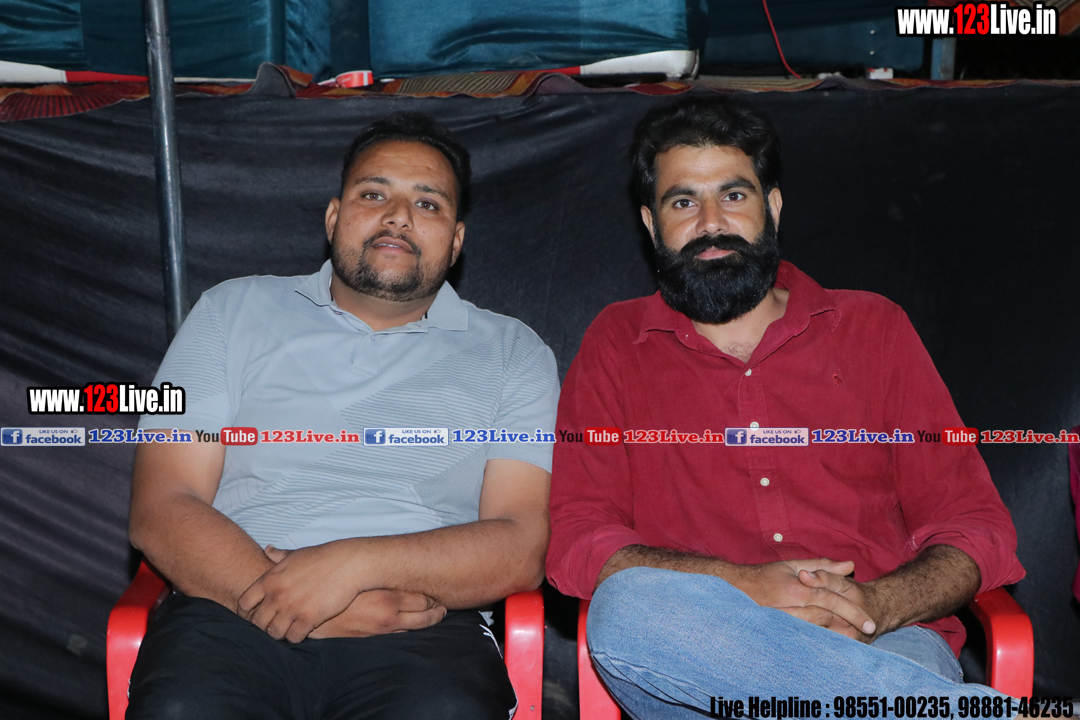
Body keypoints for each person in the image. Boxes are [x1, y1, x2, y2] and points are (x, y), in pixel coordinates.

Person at [545, 96, 1025, 717]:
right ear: (651, 223)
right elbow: (580, 538)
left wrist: (874, 605)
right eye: (683, 202)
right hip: (703, 654)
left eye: (733, 195)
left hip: (878, 641)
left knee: (893, 671)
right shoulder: (616, 342)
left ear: (771, 206)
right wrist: (746, 588)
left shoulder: (873, 328)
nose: (711, 223)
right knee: (627, 610)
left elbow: (974, 525)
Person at [128, 113, 559, 719]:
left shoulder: (515, 352)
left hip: (422, 624)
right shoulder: (228, 311)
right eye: (374, 194)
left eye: (428, 204)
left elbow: (519, 544)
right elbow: (162, 503)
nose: (399, 217)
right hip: (229, 605)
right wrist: (304, 604)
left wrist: (353, 565)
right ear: (334, 217)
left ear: (457, 240)